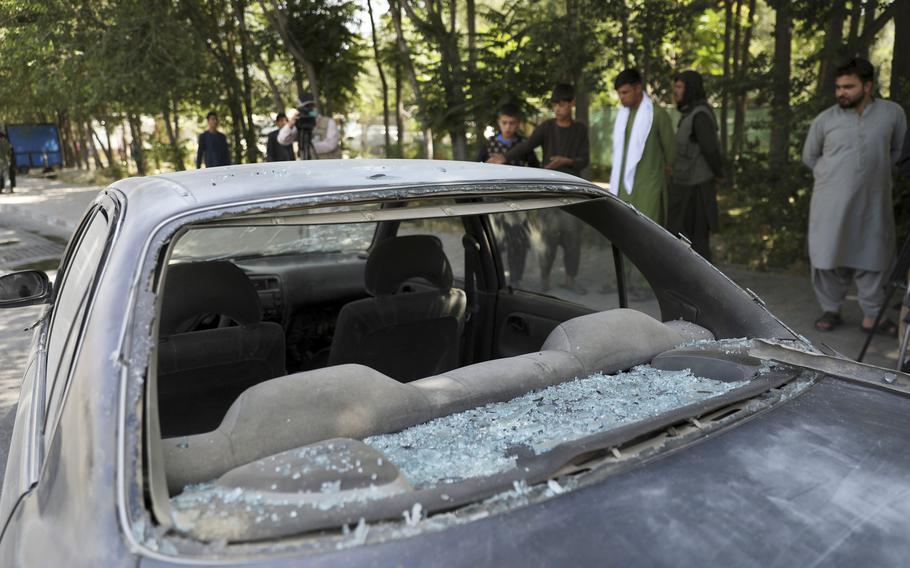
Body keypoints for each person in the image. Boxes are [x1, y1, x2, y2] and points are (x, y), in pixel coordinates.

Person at [802, 57, 907, 335]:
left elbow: (897, 152)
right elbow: (810, 156)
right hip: (829, 203)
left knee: (874, 255)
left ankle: (872, 316)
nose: (841, 93)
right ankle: (831, 308)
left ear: (868, 86)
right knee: (827, 256)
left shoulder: (892, 113)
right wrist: (835, 178)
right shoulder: (825, 119)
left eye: (848, 86)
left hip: (873, 201)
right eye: (838, 87)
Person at [489, 84, 590, 294]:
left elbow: (584, 160)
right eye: (555, 105)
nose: (558, 109)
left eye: (562, 104)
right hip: (549, 192)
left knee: (572, 237)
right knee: (547, 238)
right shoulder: (547, 127)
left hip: (573, 191)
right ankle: (544, 281)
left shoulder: (580, 129)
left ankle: (571, 280)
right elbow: (527, 146)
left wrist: (566, 161)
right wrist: (504, 158)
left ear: (571, 103)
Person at [609, 69, 676, 226]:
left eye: (625, 92)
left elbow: (671, 154)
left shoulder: (657, 115)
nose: (621, 98)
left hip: (649, 191)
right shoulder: (621, 117)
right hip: (622, 190)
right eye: (619, 94)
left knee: (649, 237)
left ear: (638, 88)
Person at [668, 70, 724, 261]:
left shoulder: (700, 115)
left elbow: (710, 150)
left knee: (698, 243)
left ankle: (701, 288)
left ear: (690, 89)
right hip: (684, 187)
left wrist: (719, 174)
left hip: (698, 190)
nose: (675, 91)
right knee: (681, 239)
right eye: (674, 86)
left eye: (679, 86)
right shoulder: (689, 114)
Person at [278, 93, 341, 159]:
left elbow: (331, 145)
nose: (308, 109)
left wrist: (308, 147)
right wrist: (290, 125)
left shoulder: (328, 122)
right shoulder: (299, 124)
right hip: (307, 165)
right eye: (305, 107)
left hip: (327, 165)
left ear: (315, 106)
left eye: (311, 106)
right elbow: (282, 140)